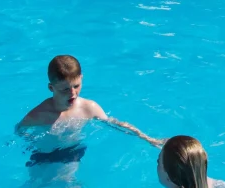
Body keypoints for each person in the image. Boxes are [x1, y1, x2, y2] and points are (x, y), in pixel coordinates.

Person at [16, 55, 163, 161]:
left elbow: (115, 124)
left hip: (72, 151)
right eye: (65, 90)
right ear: (51, 88)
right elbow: (19, 130)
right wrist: (31, 141)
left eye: (76, 86)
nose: (72, 93)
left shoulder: (88, 108)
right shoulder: (40, 114)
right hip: (43, 154)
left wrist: (147, 138)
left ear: (82, 79)